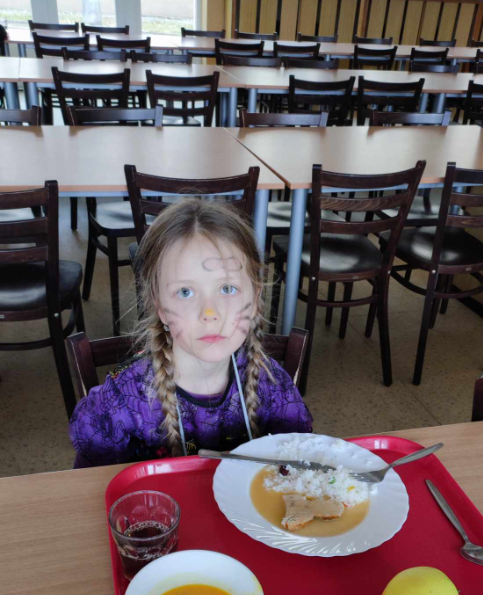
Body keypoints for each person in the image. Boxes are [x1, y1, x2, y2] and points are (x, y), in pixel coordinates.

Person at [70, 198, 312, 467]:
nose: (210, 312)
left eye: (227, 288)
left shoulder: (272, 386)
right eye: (185, 292)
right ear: (160, 307)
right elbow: (87, 484)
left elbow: (301, 466)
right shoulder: (123, 402)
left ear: (255, 299)